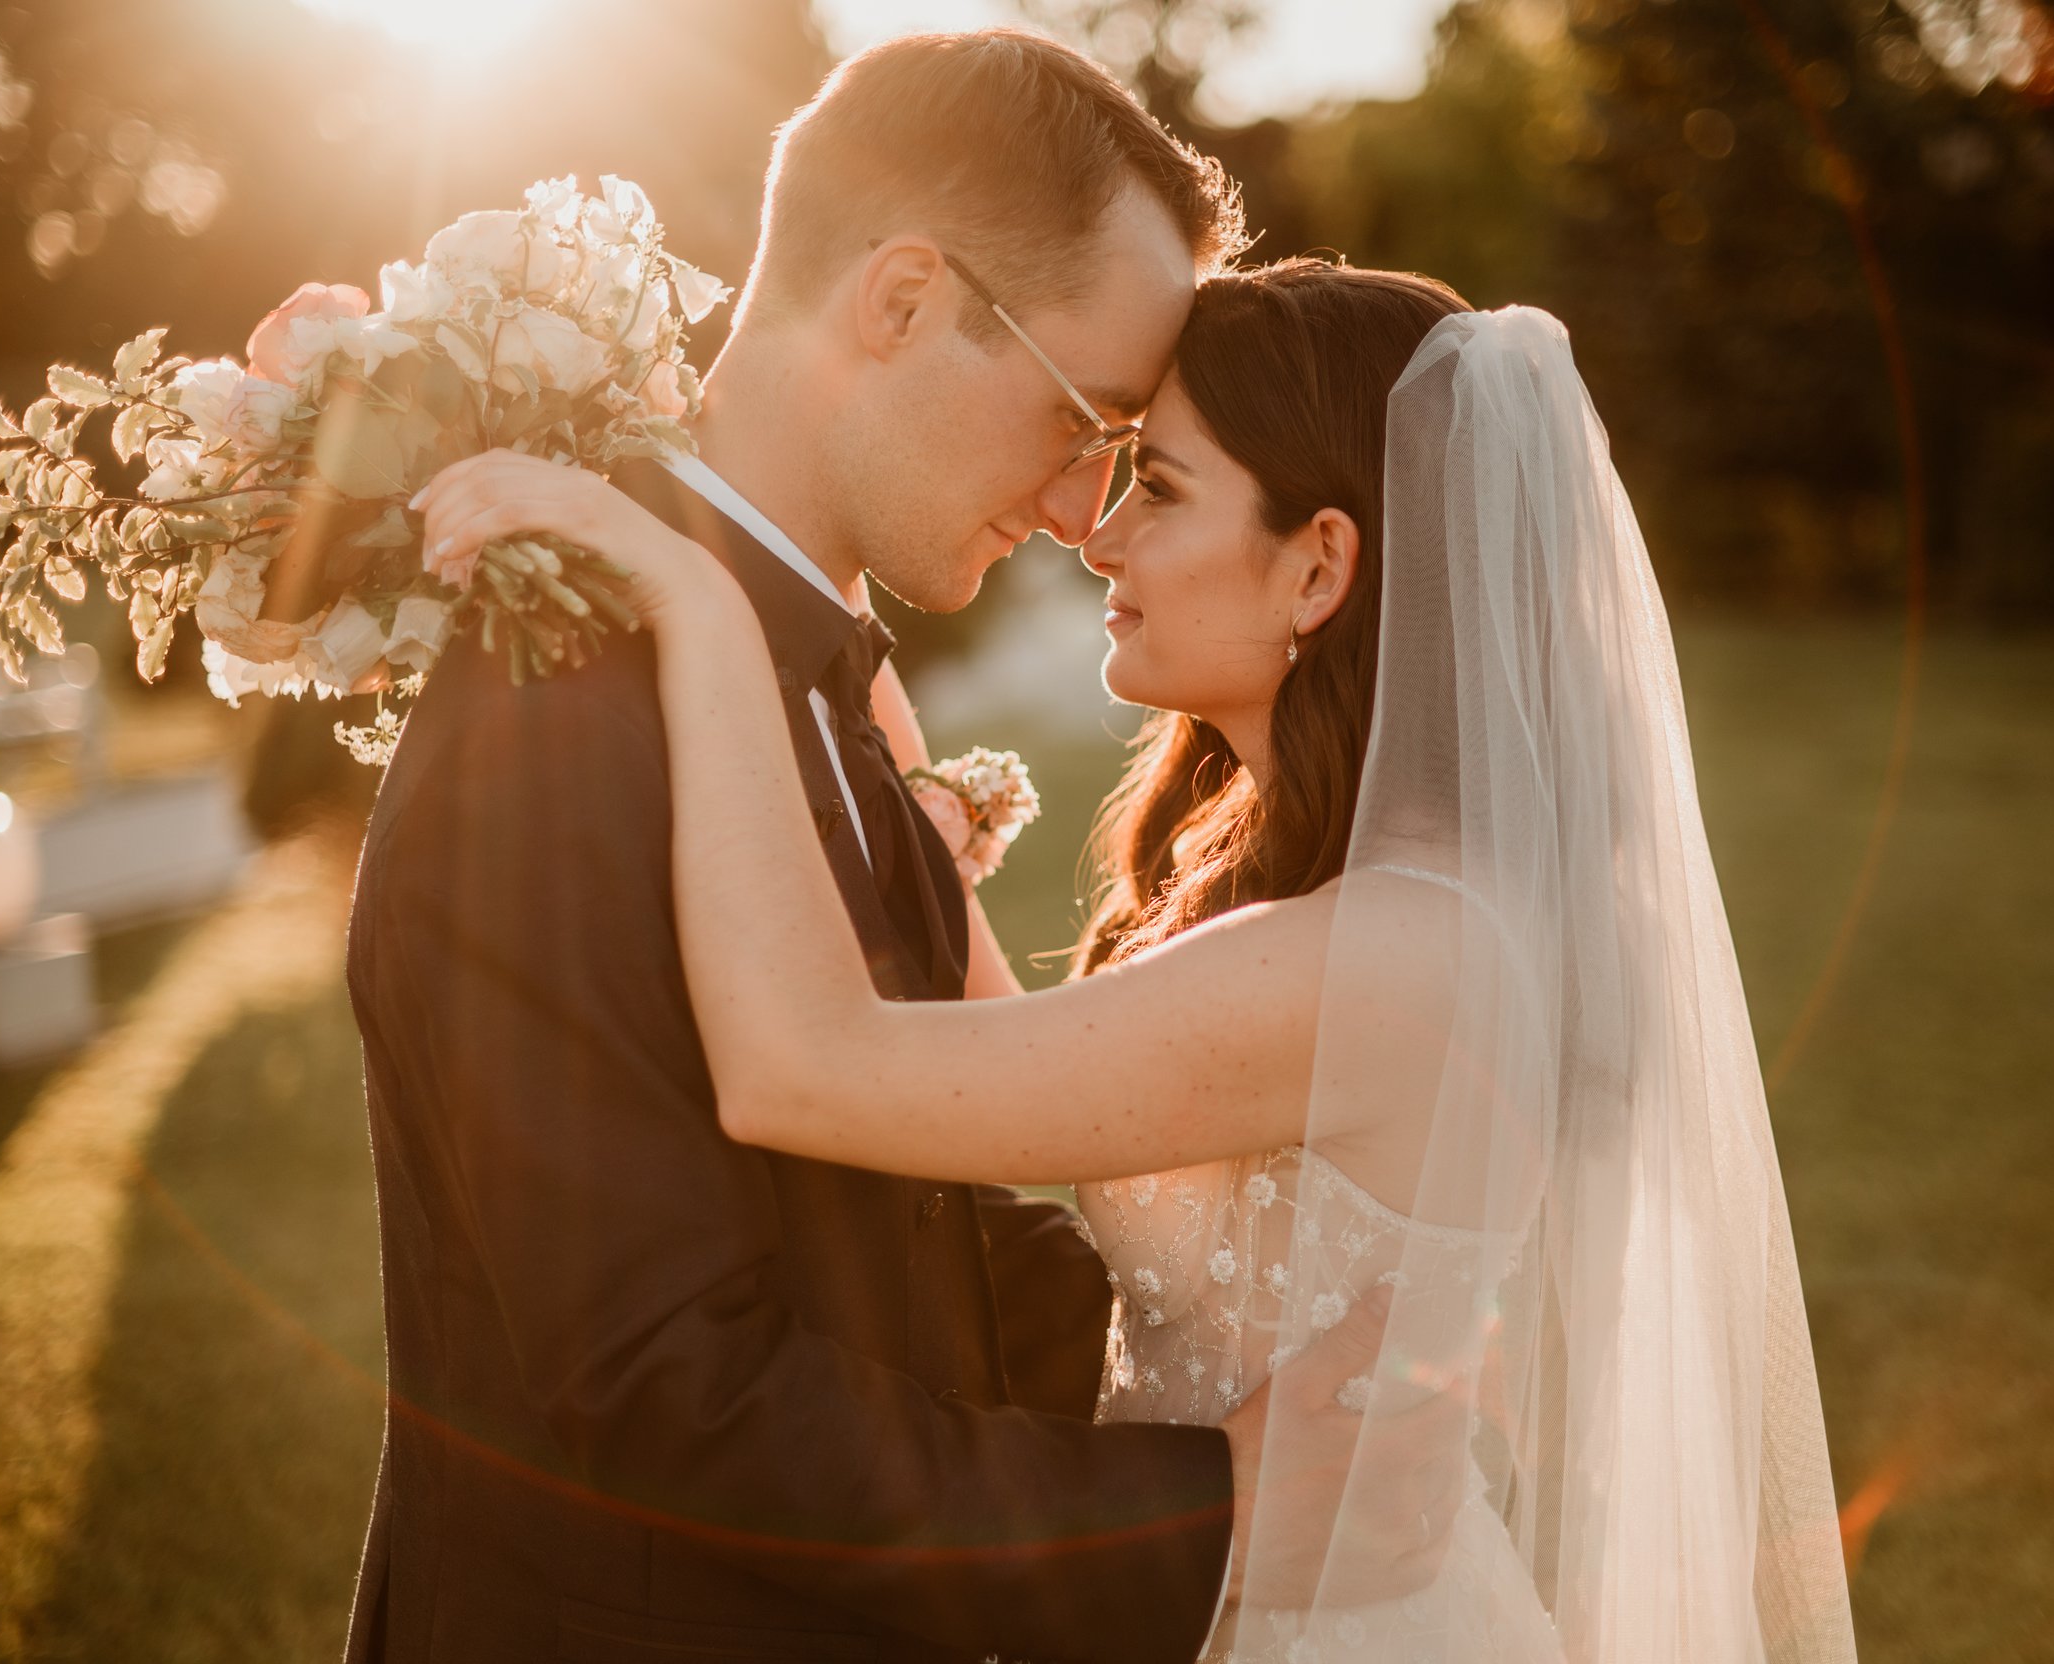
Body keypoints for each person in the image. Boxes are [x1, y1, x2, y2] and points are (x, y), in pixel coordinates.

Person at [414, 259, 1864, 1661]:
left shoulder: (1394, 958)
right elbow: (1019, 1071)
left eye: (1159, 487)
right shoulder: (1394, 910)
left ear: (1319, 566)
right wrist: (870, 748)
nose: (1098, 535)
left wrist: (698, 608)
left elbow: (812, 1067)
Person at [346, 30, 1445, 1664]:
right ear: (903, 301)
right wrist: (1199, 1506)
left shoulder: (820, 683)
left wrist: (1207, 1326)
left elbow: (881, 1231)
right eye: (1090, 418)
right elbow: (667, 1384)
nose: (1088, 510)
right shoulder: (565, 702)